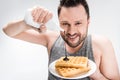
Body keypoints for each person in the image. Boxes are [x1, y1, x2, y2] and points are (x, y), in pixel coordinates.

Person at [2, 0, 120, 80]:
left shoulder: (101, 45)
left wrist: (97, 75)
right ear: (58, 22)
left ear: (88, 22)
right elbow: (8, 31)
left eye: (78, 23)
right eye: (65, 23)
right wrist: (27, 23)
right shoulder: (51, 38)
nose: (71, 31)